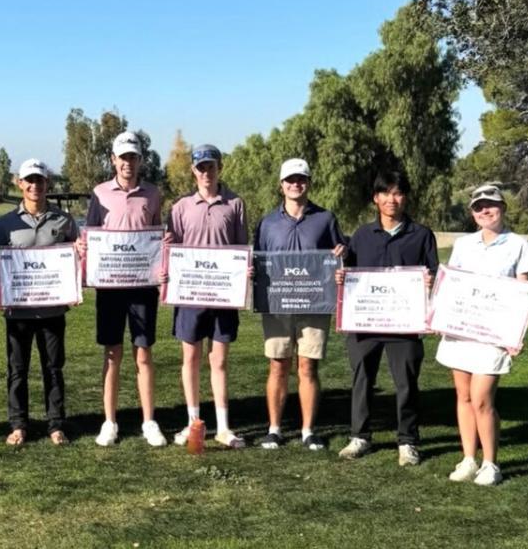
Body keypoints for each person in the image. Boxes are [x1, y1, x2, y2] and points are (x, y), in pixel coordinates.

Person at [335, 170, 438, 466]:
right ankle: (360, 437)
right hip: (365, 323)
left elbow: (434, 275)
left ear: (404, 198)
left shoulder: (421, 235)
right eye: (385, 194)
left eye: (397, 193)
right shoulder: (362, 236)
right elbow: (350, 275)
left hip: (404, 326)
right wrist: (341, 276)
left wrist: (431, 282)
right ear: (376, 199)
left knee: (406, 383)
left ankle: (407, 441)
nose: (391, 199)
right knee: (362, 380)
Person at [435, 184, 528, 486]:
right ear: (472, 213)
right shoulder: (464, 244)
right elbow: (452, 285)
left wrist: (516, 333)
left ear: (502, 207)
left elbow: (523, 291)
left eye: (490, 205)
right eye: (478, 207)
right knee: (463, 396)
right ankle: (468, 459)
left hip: (494, 334)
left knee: (481, 399)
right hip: (461, 331)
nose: (484, 211)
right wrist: (439, 315)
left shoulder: (518, 243)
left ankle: (490, 463)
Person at [81, 131, 168, 447]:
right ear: (114, 160)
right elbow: (90, 236)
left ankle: (149, 421)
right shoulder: (100, 193)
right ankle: (110, 422)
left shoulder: (153, 194)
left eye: (133, 157)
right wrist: (82, 247)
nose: (128, 162)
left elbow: (158, 236)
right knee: (112, 353)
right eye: (123, 157)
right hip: (111, 287)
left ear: (139, 160)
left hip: (143, 286)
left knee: (143, 353)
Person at [253, 158, 346, 451]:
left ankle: (308, 431)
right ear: (281, 185)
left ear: (309, 183)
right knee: (278, 365)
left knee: (307, 367)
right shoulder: (267, 223)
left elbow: (340, 256)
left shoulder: (326, 218)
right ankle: (275, 429)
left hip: (315, 304)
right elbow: (258, 259)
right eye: (290, 179)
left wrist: (342, 256)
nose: (296, 184)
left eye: (301, 179)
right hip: (277, 306)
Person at [0, 159, 79, 446]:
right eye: (28, 180)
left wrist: (74, 286)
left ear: (47, 184)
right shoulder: (6, 223)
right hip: (18, 310)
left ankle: (56, 424)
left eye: (39, 180)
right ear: (20, 184)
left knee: (53, 368)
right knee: (17, 370)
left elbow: (78, 258)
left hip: (53, 309)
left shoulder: (63, 220)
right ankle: (18, 425)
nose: (34, 186)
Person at [168, 144, 249, 449]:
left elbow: (242, 248)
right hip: (190, 295)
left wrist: (245, 271)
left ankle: (224, 427)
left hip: (223, 296)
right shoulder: (180, 207)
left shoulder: (235, 204)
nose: (206, 173)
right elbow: (171, 248)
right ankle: (193, 423)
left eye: (211, 167)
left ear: (220, 168)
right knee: (190, 357)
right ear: (193, 171)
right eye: (200, 167)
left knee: (219, 360)